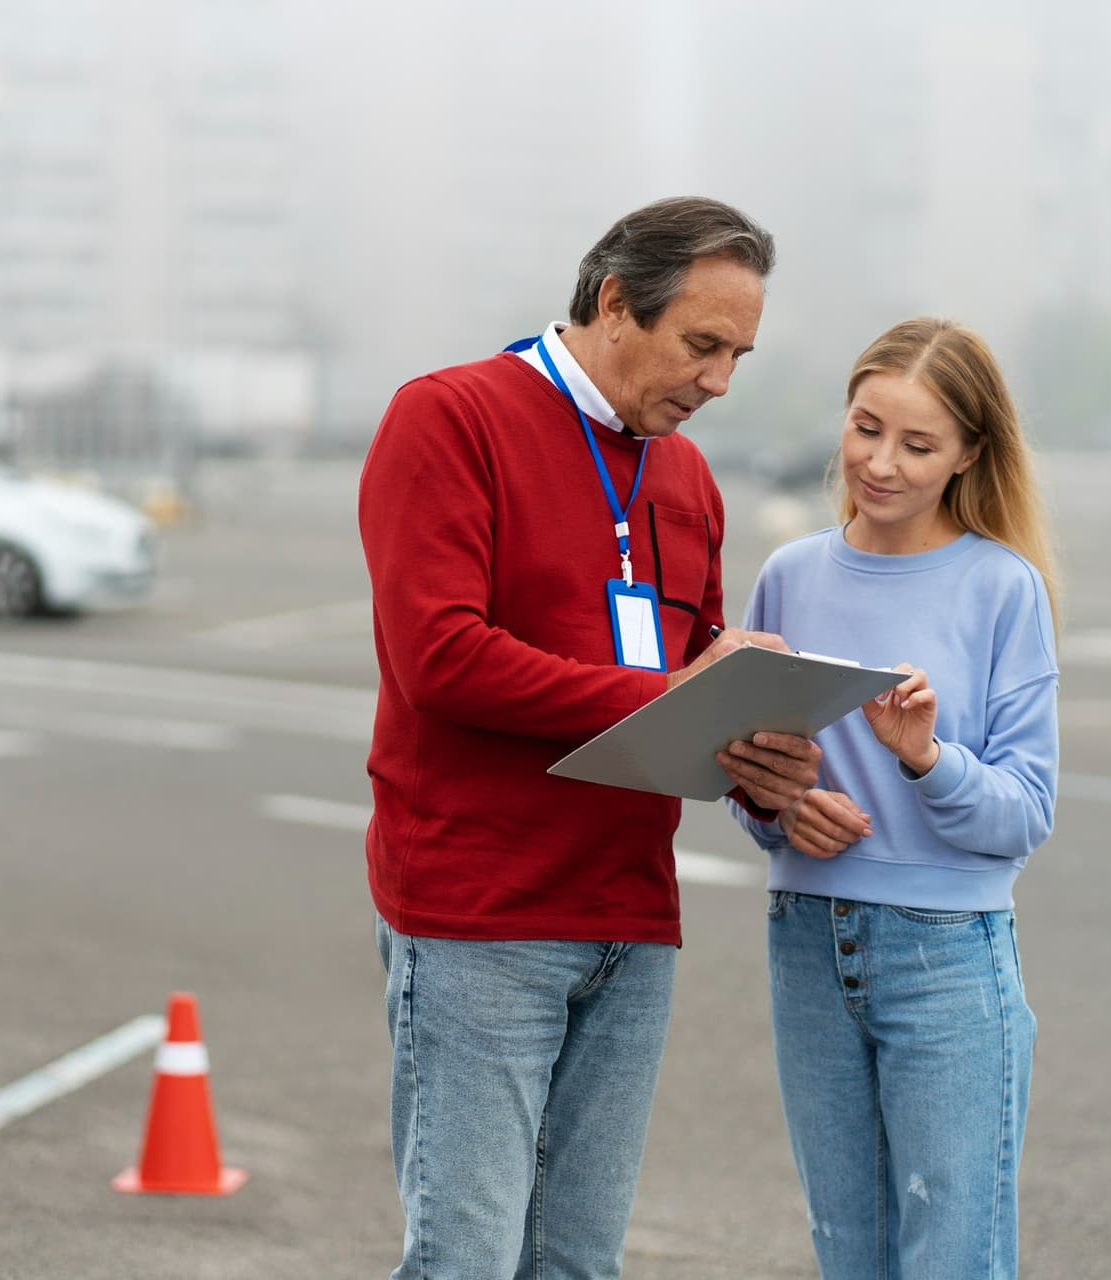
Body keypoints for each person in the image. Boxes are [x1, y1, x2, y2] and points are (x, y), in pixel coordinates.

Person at [357, 196, 823, 1278]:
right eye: (702, 345)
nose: (719, 382)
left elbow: (701, 690)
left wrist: (765, 764)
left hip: (630, 915)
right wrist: (666, 691)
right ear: (616, 303)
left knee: (577, 1264)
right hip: (481, 916)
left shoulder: (689, 475)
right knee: (465, 1260)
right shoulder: (449, 416)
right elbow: (440, 656)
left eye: (739, 355)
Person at [728, 316, 1061, 1279]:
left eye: (918, 445)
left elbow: (1025, 813)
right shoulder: (788, 576)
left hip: (946, 958)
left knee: (952, 1256)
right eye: (866, 427)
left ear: (968, 455)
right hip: (805, 942)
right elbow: (746, 771)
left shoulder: (1004, 588)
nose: (881, 463)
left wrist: (927, 760)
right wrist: (779, 809)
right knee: (851, 1254)